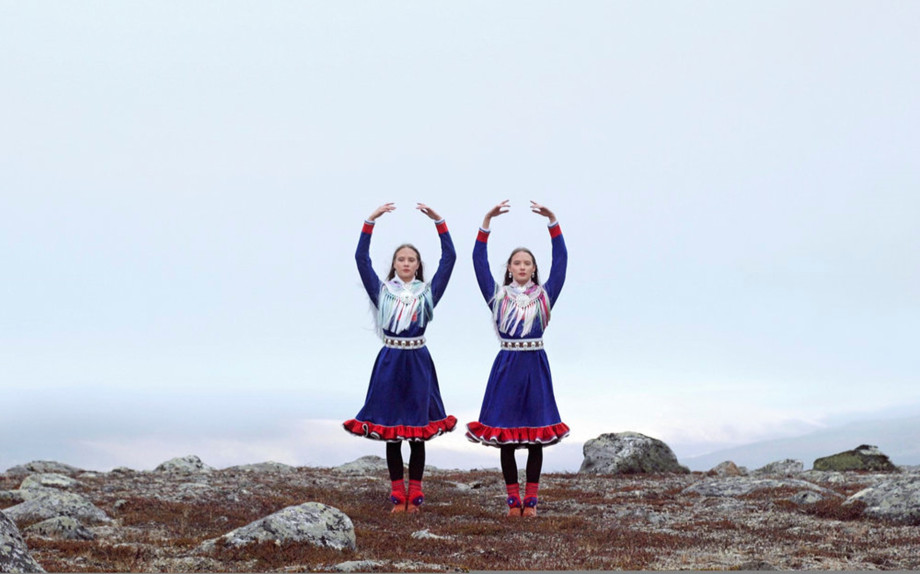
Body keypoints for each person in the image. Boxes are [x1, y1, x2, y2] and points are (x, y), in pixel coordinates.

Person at [343, 202, 457, 513]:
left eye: (411, 260)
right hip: (390, 361)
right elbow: (360, 259)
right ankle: (397, 496)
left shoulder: (428, 293)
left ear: (418, 265)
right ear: (394, 265)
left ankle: (415, 497)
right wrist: (370, 222)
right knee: (392, 433)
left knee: (417, 434)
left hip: (418, 362)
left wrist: (440, 222)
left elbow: (450, 259)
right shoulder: (381, 292)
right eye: (401, 259)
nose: (406, 263)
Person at [466, 200, 569, 518]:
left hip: (535, 367)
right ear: (509, 269)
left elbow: (562, 261)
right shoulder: (496, 296)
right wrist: (485, 224)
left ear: (534, 269)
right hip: (507, 368)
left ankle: (532, 503)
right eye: (516, 263)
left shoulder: (545, 295)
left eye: (527, 263)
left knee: (537, 436)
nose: (522, 267)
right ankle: (513, 502)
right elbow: (478, 262)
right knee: (506, 437)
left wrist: (553, 224)